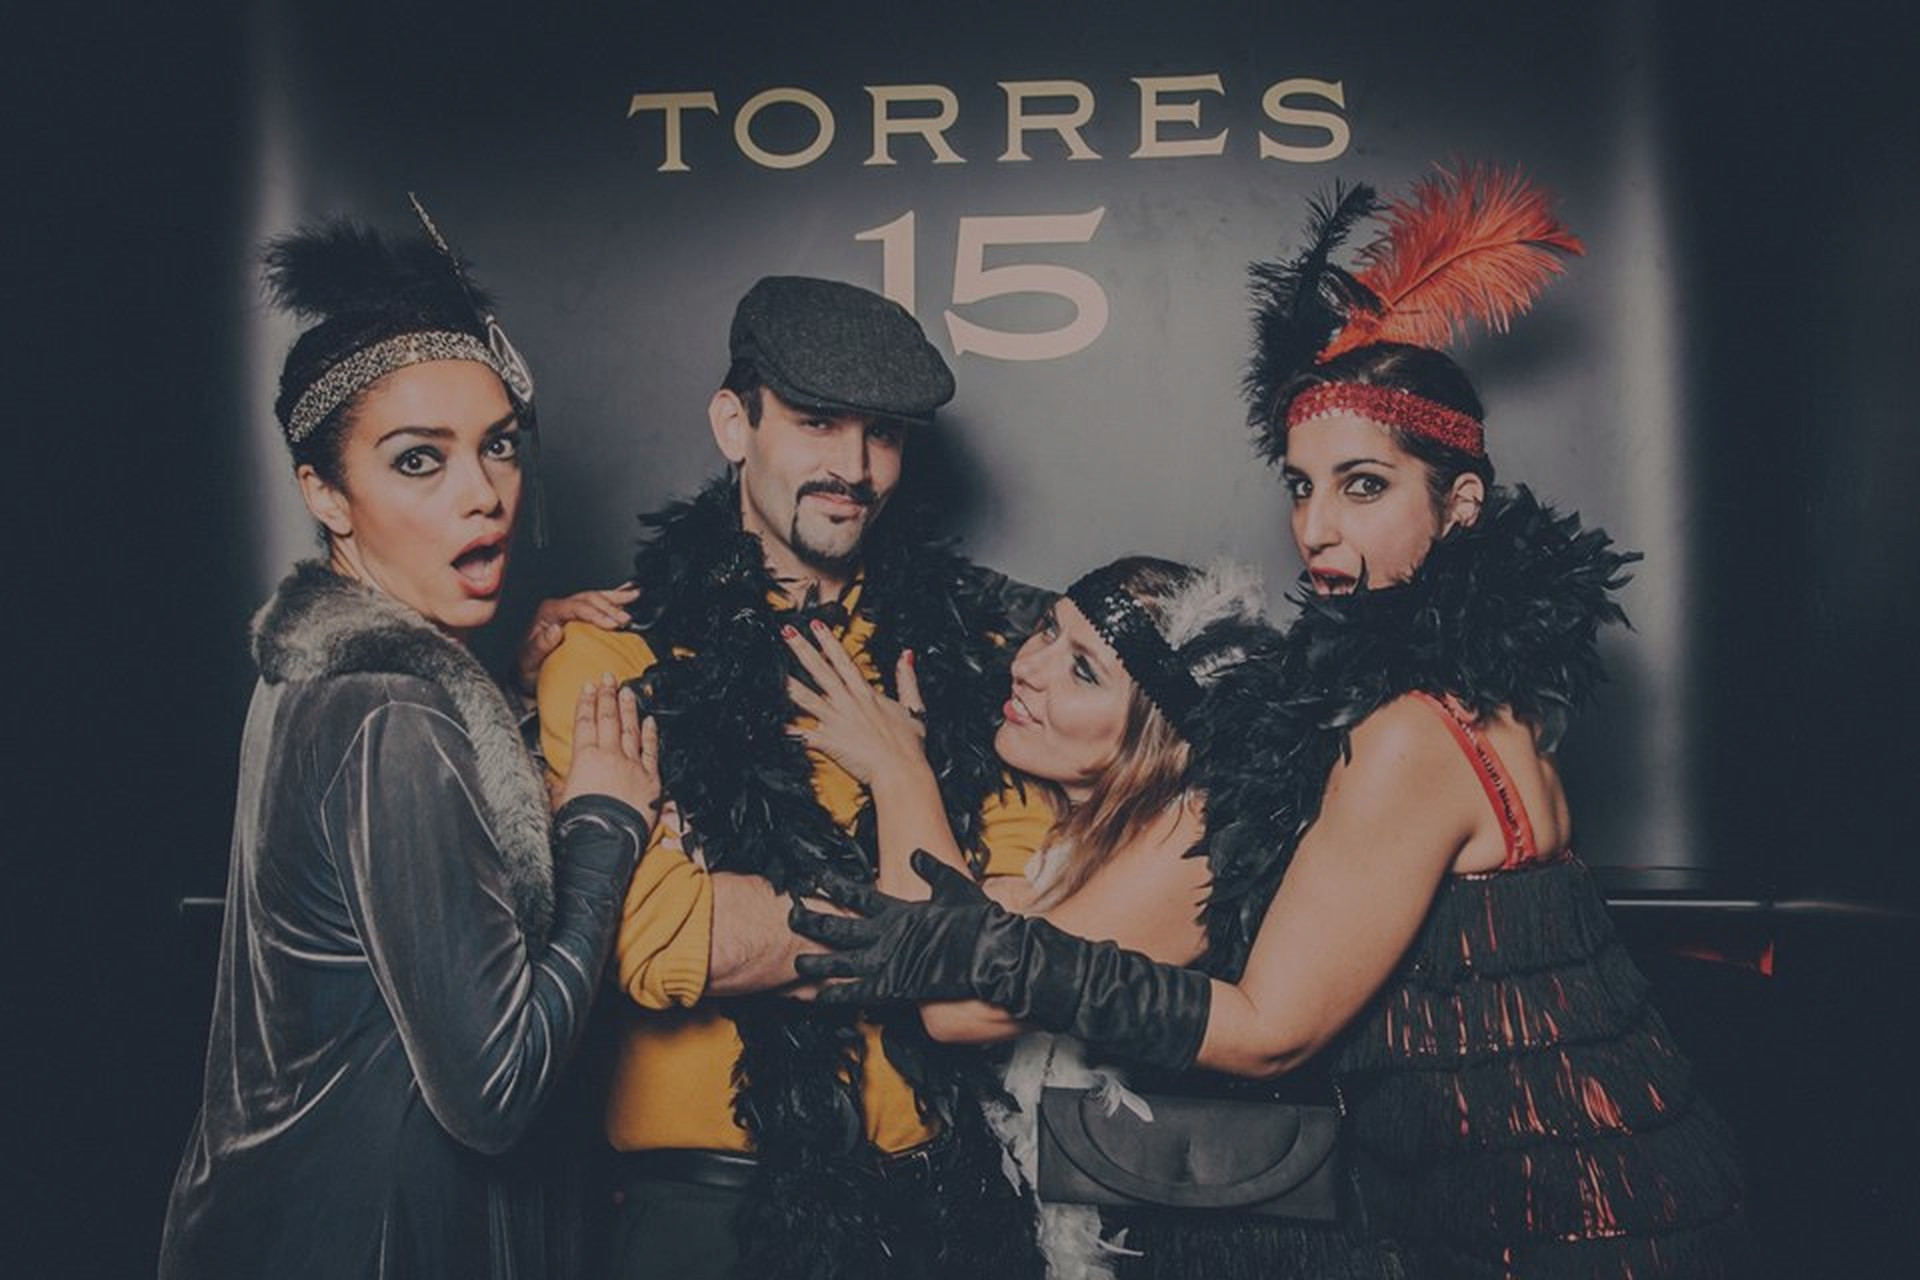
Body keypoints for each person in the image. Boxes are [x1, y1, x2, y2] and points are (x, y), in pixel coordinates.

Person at [793, 168, 1754, 1277]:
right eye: (1302, 486)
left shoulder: (1413, 735)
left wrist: (993, 950)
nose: (1317, 529)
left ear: (1460, 503)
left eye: (1363, 486)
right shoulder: (1449, 690)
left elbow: (1266, 1032)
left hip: (1572, 1222)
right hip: (1563, 1189)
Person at [159, 209, 662, 1280]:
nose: (483, 493)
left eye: (498, 445)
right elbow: (497, 1092)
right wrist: (603, 823)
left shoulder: (324, 674)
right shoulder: (392, 714)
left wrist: (506, 700)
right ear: (325, 493)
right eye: (418, 461)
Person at [533, 275, 1055, 1279]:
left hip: (947, 1201)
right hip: (712, 1211)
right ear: (736, 424)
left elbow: (1016, 934)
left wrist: (897, 783)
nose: (852, 468)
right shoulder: (613, 656)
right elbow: (663, 941)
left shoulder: (978, 656)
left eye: (882, 435)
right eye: (817, 422)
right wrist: (927, 906)